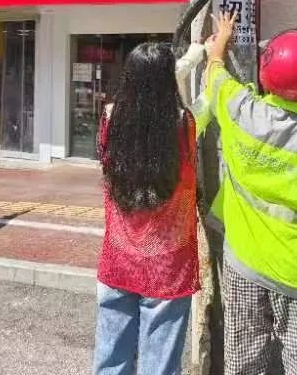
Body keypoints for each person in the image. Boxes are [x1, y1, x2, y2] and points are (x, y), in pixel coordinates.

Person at [203, 12, 297, 375]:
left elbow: (214, 74)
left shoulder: (240, 110)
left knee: (244, 358)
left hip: (243, 261)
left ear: (267, 72)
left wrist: (221, 38)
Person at [94, 42, 200, 375]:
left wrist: (195, 54)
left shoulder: (110, 117)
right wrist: (206, 55)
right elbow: (206, 104)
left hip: (118, 258)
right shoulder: (184, 124)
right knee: (159, 366)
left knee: (111, 361)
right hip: (168, 264)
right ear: (169, 79)